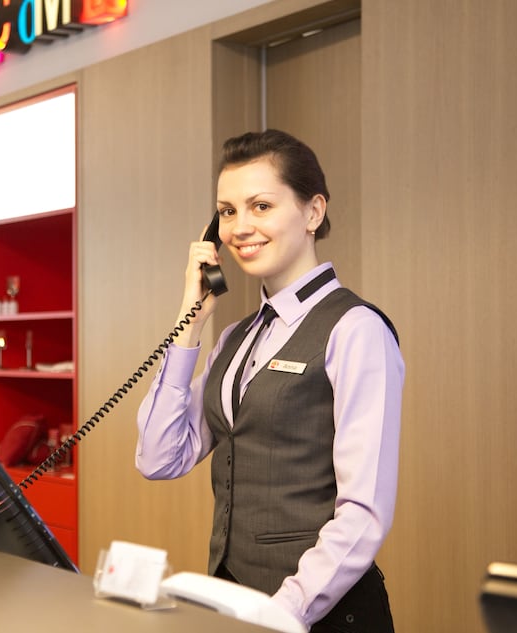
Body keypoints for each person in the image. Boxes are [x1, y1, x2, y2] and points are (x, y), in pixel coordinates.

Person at [135, 129, 404, 632]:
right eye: (227, 211)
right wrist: (188, 323)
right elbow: (158, 457)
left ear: (313, 212)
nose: (240, 227)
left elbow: (364, 512)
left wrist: (283, 611)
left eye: (261, 206)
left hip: (319, 615)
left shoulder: (356, 329)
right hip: (238, 606)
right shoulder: (233, 339)